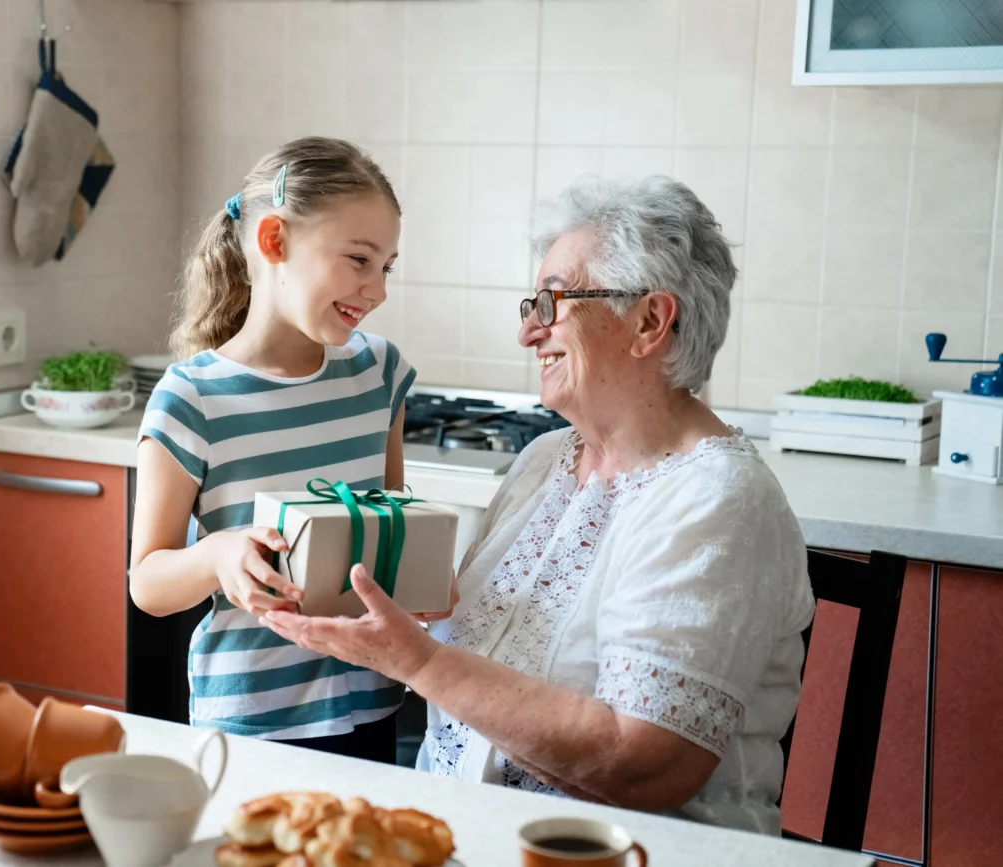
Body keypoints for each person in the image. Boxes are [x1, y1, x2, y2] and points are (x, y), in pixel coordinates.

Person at [260, 175, 816, 833]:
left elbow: (643, 764)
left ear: (649, 321)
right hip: (459, 828)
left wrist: (414, 658)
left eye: (552, 303)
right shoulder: (543, 462)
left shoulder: (717, 501)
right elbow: (460, 633)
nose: (529, 332)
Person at [131, 136, 440, 764]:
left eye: (386, 266)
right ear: (275, 241)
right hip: (252, 723)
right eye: (358, 259)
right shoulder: (192, 399)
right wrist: (218, 554)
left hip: (372, 700)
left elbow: (391, 525)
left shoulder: (380, 375)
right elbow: (148, 582)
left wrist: (425, 583)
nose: (376, 289)